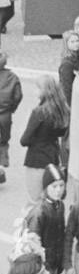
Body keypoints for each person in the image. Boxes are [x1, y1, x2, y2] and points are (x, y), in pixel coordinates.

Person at [19, 77, 67, 202]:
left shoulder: (39, 112)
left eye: (37, 88)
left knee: (36, 198)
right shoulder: (62, 111)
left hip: (36, 159)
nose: (35, 90)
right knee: (50, 198)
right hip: (52, 156)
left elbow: (24, 140)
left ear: (44, 91)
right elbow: (62, 132)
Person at [0, 51, 23, 187]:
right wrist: (11, 109)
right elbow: (18, 96)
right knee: (3, 142)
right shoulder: (12, 77)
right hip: (5, 115)